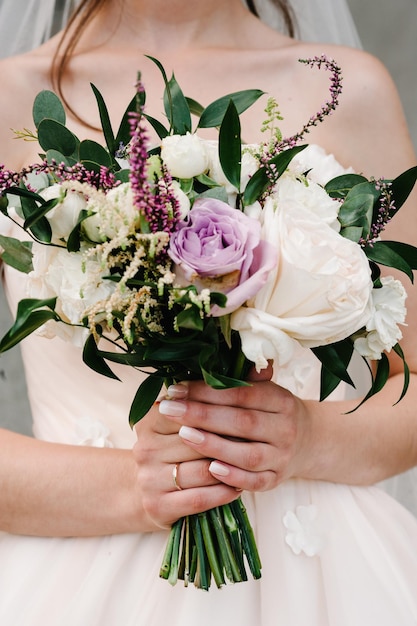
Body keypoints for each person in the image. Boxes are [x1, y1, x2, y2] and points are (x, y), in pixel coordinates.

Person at [0, 1, 417, 624]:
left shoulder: (349, 89)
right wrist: (134, 487)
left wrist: (306, 440)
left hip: (325, 576)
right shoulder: (9, 95)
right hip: (79, 575)